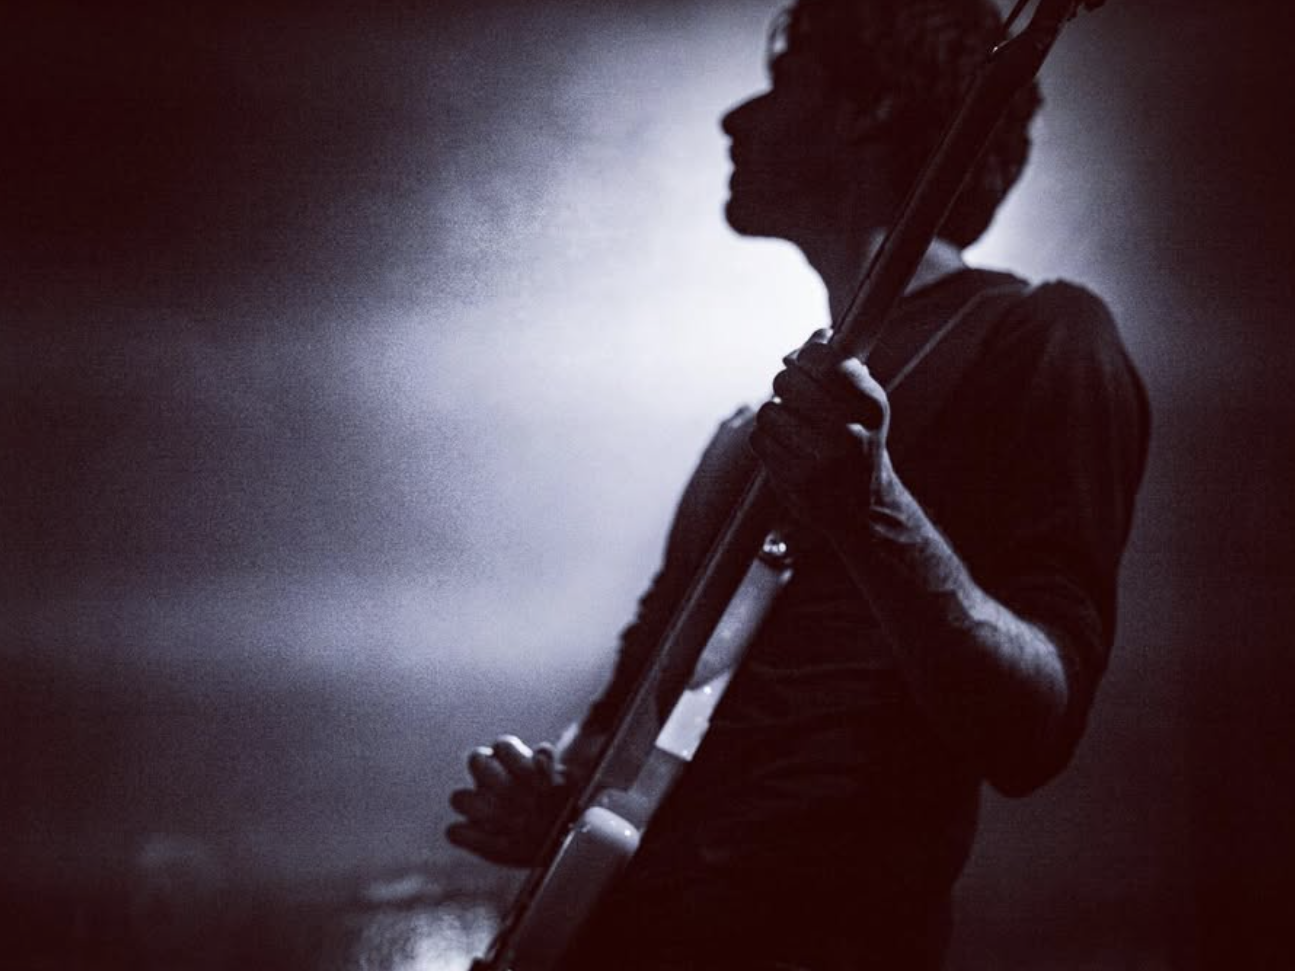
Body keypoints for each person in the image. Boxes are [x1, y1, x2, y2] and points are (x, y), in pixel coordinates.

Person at [447, 0, 1150, 967]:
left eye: (786, 86)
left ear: (871, 108)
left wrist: (873, 510)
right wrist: (557, 795)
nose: (737, 120)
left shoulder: (1038, 337)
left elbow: (1037, 725)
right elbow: (627, 711)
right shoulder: (743, 439)